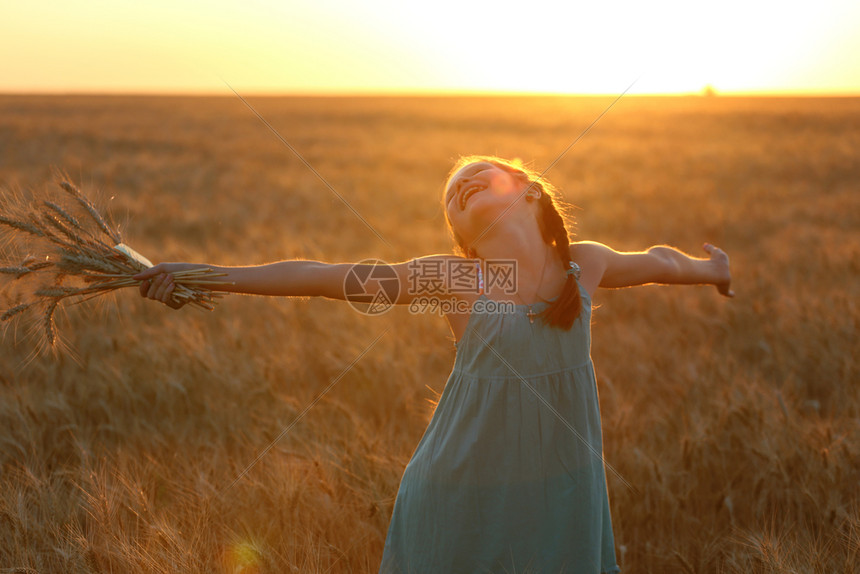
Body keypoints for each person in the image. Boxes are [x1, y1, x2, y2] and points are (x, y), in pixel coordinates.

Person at [135, 155, 733, 573]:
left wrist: (712, 269)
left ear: (528, 190)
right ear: (461, 237)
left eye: (480, 174)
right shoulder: (457, 280)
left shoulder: (583, 265)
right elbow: (321, 277)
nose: (463, 184)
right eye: (453, 193)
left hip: (562, 496)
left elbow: (661, 262)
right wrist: (199, 275)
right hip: (458, 493)